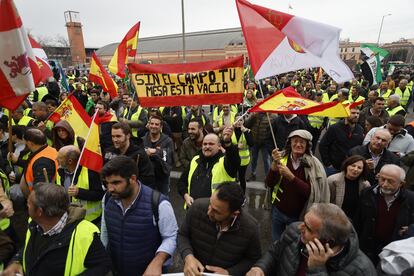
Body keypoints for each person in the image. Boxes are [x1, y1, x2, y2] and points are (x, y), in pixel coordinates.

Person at [2, 183, 111, 276]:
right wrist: (16, 261)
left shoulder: (85, 233)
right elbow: (27, 248)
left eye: (29, 204)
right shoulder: (34, 223)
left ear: (40, 211)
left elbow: (102, 266)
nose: (26, 206)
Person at [245, 203, 376, 276]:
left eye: (308, 228)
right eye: (304, 221)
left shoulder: (362, 270)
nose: (299, 227)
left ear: (327, 241)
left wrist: (317, 269)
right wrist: (260, 268)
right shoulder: (294, 231)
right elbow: (275, 252)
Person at [100, 156, 178, 275]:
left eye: (116, 182)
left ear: (133, 179)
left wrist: (157, 262)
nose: (110, 188)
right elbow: (105, 231)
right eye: (107, 183)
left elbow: (171, 237)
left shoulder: (158, 203)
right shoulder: (108, 199)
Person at [178, 183, 261, 275]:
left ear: (234, 214)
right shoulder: (197, 207)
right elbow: (183, 235)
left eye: (216, 211)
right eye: (210, 204)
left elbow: (253, 259)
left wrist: (229, 272)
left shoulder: (250, 228)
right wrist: (188, 256)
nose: (209, 212)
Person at [266, 129, 329, 241]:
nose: (298, 144)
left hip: (298, 216)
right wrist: (274, 166)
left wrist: (291, 177)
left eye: (302, 142)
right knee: (276, 242)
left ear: (307, 145)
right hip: (278, 212)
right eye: (295, 141)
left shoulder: (313, 165)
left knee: (293, 245)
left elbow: (310, 193)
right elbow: (269, 183)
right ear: (289, 143)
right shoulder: (281, 159)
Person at [354, 164, 414, 265]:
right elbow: (358, 221)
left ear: (401, 183)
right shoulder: (367, 193)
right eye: (382, 179)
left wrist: (411, 229)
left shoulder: (411, 199)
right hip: (368, 246)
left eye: (390, 181)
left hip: (395, 249)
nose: (385, 184)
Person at [177, 128, 240, 208]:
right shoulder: (195, 160)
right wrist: (186, 196)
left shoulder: (224, 162)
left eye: (211, 144)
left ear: (219, 146)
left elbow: (234, 160)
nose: (207, 146)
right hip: (193, 211)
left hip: (215, 214)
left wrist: (227, 142)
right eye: (205, 144)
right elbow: (181, 182)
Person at [56, 145, 105, 225]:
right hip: (69, 219)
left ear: (70, 161)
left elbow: (100, 195)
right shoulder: (60, 172)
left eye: (60, 158)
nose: (56, 159)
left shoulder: (90, 172)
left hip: (89, 220)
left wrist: (79, 192)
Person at [104, 122, 155, 187]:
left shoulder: (139, 155)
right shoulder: (109, 152)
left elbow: (148, 179)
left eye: (118, 136)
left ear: (128, 136)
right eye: (113, 136)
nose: (115, 140)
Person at [319, 108, 364, 176]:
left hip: (351, 168)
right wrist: (328, 164)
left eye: (358, 113)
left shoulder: (360, 130)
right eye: (353, 113)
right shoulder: (335, 128)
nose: (356, 115)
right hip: (334, 168)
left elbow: (360, 148)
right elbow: (323, 145)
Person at [21, 128, 58, 197]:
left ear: (30, 143)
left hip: (40, 201)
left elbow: (41, 191)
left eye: (25, 141)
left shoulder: (42, 162)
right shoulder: (49, 150)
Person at [143, 115, 174, 195]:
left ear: (161, 127)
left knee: (162, 202)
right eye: (152, 124)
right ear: (148, 125)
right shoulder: (143, 139)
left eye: (156, 124)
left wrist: (155, 152)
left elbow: (169, 159)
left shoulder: (168, 141)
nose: (154, 126)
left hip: (162, 179)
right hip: (146, 178)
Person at [233, 116, 253, 194]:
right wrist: (236, 146)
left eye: (240, 120)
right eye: (237, 120)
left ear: (243, 121)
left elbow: (251, 144)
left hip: (243, 160)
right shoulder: (231, 130)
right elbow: (226, 144)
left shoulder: (247, 131)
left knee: (241, 178)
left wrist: (245, 132)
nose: (238, 122)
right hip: (233, 159)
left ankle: (242, 194)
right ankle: (233, 194)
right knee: (232, 178)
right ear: (234, 121)